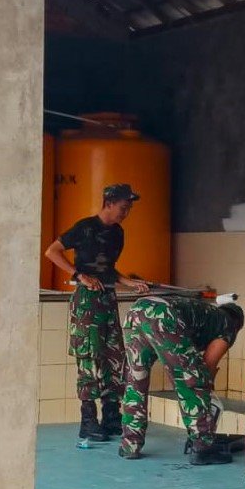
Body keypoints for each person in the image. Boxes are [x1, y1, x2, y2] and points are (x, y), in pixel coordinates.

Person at [45, 183, 148, 444]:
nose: (126, 212)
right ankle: (88, 420)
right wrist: (79, 274)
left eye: (129, 208)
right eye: (123, 207)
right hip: (87, 300)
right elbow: (52, 251)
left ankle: (111, 415)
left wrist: (130, 282)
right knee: (89, 356)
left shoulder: (118, 233)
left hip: (107, 299)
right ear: (109, 203)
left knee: (114, 356)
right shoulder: (85, 227)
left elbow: (109, 269)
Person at [119, 295, 245, 465]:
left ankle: (130, 444)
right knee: (192, 380)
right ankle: (203, 446)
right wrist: (206, 392)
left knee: (136, 380)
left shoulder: (207, 313)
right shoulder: (228, 325)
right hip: (162, 315)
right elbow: (207, 367)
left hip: (137, 311)